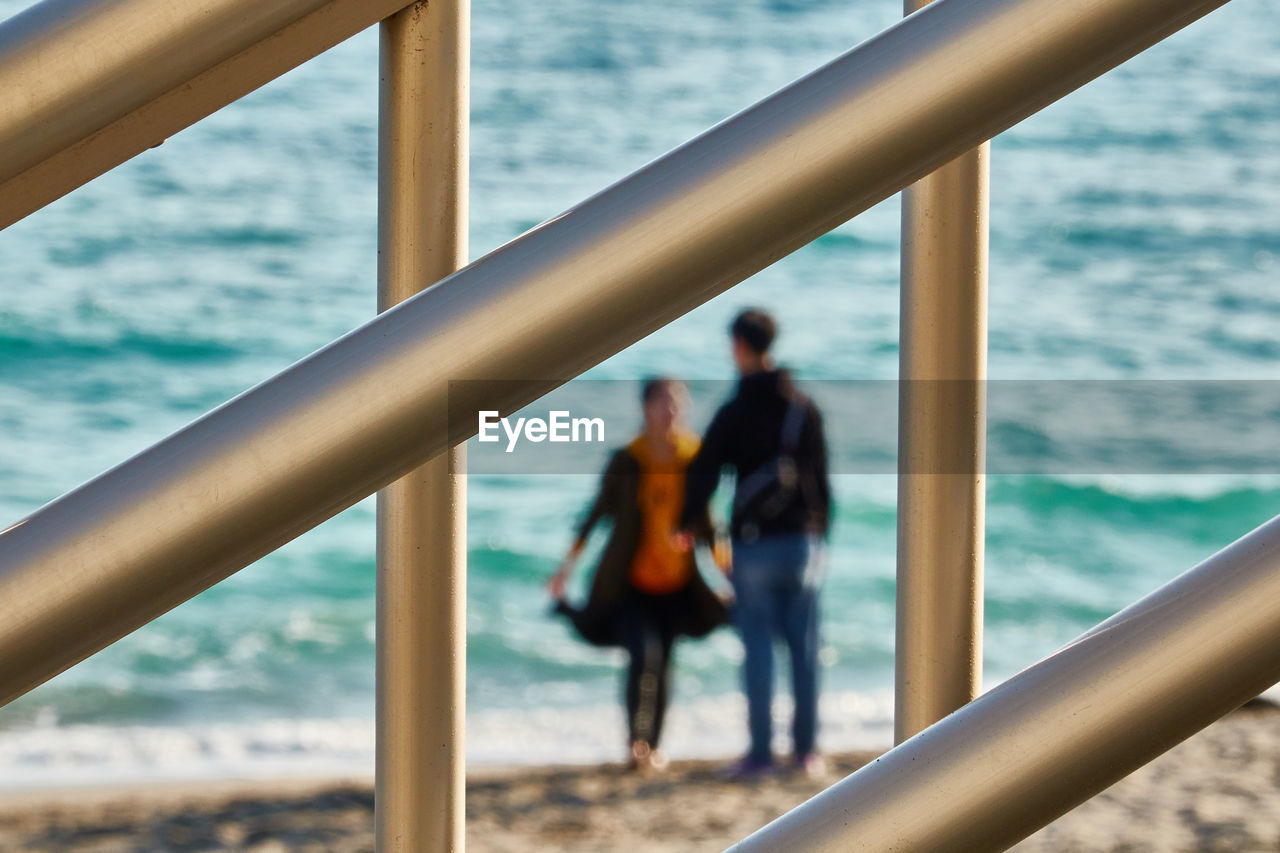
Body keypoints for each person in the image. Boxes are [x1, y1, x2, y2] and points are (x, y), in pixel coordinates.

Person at [676, 308, 832, 779]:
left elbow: (704, 471)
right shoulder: (803, 407)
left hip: (754, 545)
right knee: (804, 649)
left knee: (759, 650)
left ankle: (761, 755)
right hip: (802, 544)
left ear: (740, 346)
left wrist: (687, 523)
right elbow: (821, 483)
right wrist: (821, 537)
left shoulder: (735, 409)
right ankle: (807, 753)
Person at [548, 377, 730, 772]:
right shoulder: (627, 459)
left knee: (664, 661)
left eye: (677, 403)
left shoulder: (693, 458)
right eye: (663, 402)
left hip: (679, 585)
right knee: (641, 656)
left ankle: (656, 747)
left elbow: (709, 525)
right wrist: (566, 568)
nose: (671, 411)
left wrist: (727, 575)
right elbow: (594, 516)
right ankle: (635, 743)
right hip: (632, 583)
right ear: (645, 409)